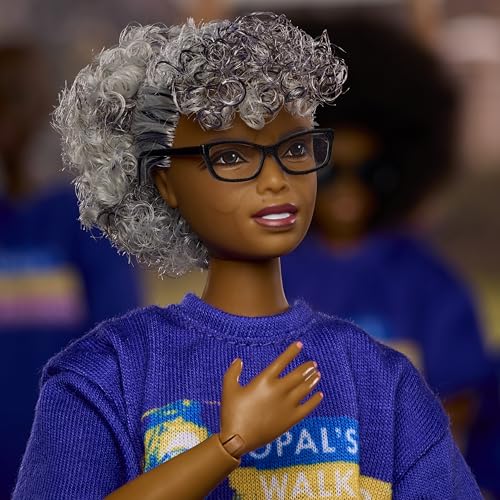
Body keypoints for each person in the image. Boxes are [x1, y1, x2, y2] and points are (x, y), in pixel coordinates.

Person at [13, 13, 481, 498]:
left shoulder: (383, 383)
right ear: (165, 182)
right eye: (232, 157)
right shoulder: (107, 374)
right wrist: (227, 446)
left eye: (295, 149)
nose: (276, 179)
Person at [281, 14, 499, 495]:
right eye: (330, 171)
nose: (349, 190)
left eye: (370, 171)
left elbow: (456, 410)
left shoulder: (428, 282)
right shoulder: (268, 269)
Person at [0, 44, 142, 498]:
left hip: (66, 469)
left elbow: (116, 352)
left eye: (16, 96)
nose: (7, 115)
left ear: (50, 109)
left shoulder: (86, 222)